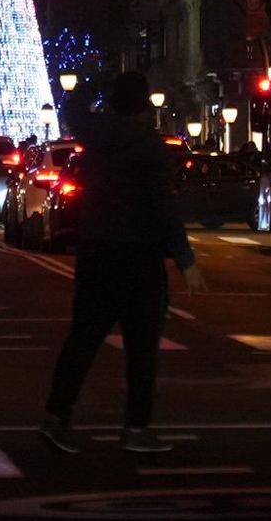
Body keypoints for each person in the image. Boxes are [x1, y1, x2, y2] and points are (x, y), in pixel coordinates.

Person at [40, 72, 204, 455]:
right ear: (144, 105)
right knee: (142, 347)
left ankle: (56, 415)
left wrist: (92, 81)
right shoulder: (151, 148)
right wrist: (185, 260)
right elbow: (163, 209)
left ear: (112, 102)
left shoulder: (95, 135)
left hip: (96, 248)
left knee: (83, 338)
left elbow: (73, 108)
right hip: (139, 254)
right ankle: (135, 426)